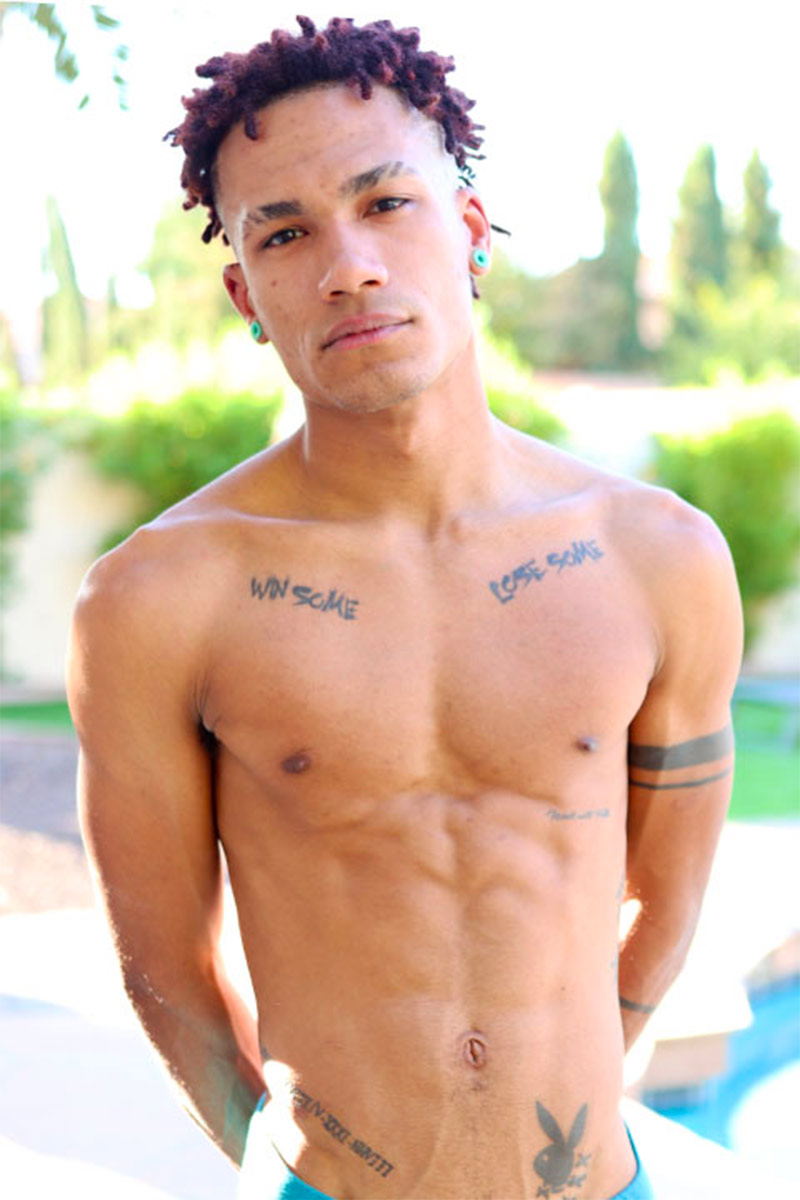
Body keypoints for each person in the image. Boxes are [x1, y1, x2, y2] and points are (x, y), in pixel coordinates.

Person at [67, 16, 743, 1200]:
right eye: (285, 232)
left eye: (385, 203)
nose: (349, 267)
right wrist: (286, 1172)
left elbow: (666, 898)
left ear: (469, 229)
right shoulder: (158, 599)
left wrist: (563, 1103)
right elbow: (164, 966)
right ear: (243, 290)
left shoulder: (656, 558)